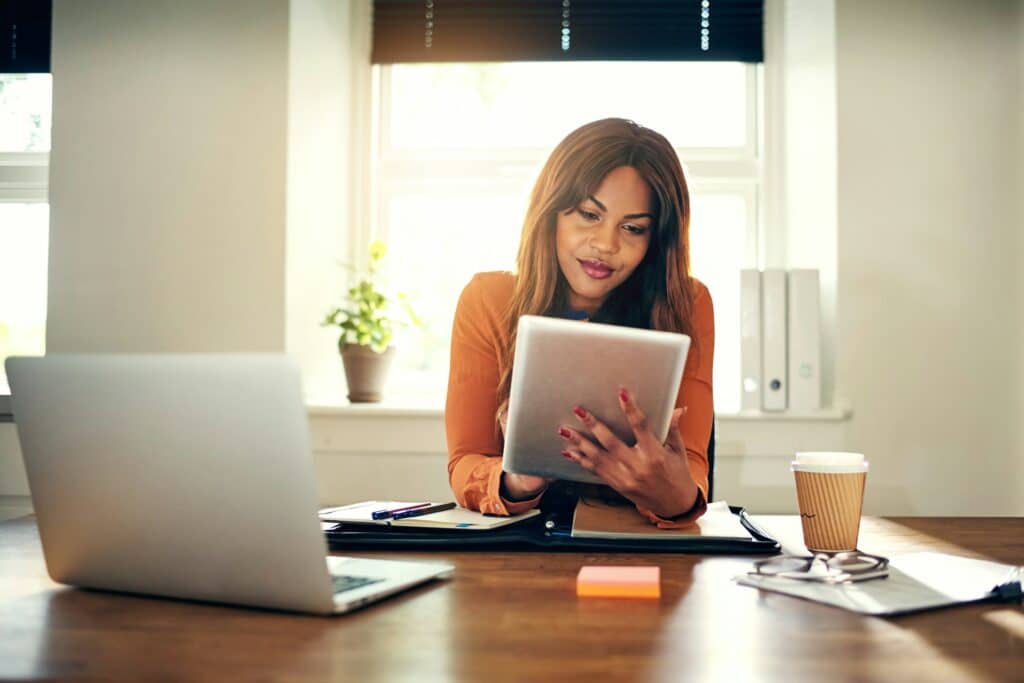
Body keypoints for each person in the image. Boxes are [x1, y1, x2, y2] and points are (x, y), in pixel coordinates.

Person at [445, 118, 714, 527]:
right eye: (589, 214)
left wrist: (673, 494)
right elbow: (466, 462)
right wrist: (518, 477)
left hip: (641, 548)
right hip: (524, 548)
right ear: (550, 211)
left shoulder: (687, 304)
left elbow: (692, 468)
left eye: (633, 228)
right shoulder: (488, 300)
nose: (606, 244)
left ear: (655, 241)